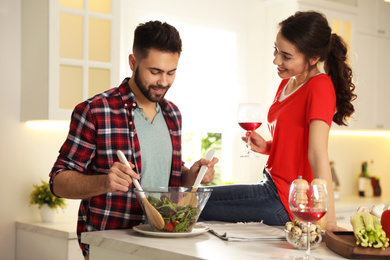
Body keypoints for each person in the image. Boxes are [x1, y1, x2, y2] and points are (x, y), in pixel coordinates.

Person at [49, 20, 218, 258]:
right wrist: (104, 182)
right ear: (133, 62)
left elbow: (165, 174)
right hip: (111, 246)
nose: (163, 82)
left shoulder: (172, 114)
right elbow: (58, 182)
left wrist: (192, 174)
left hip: (164, 244)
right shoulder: (95, 110)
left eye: (171, 72)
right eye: (155, 71)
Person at [200, 11, 356, 232]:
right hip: (270, 185)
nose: (276, 60)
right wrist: (267, 147)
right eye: (275, 50)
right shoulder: (286, 84)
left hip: (285, 201)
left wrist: (328, 220)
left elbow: (317, 153)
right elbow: (295, 144)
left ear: (313, 58)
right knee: (191, 201)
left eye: (286, 56)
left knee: (191, 202)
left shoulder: (319, 86)